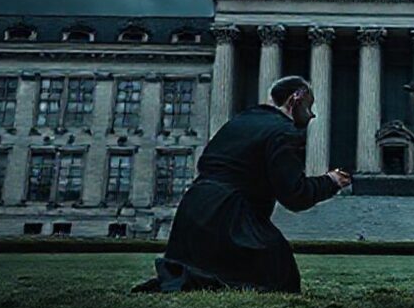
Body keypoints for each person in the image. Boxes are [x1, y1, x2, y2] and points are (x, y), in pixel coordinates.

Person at [134, 75, 351, 293]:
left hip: (189, 217)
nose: (312, 114)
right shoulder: (284, 132)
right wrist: (330, 181)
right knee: (280, 273)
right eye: (309, 106)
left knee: (209, 278)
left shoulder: (242, 120)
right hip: (227, 218)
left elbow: (208, 162)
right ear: (296, 98)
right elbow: (295, 196)